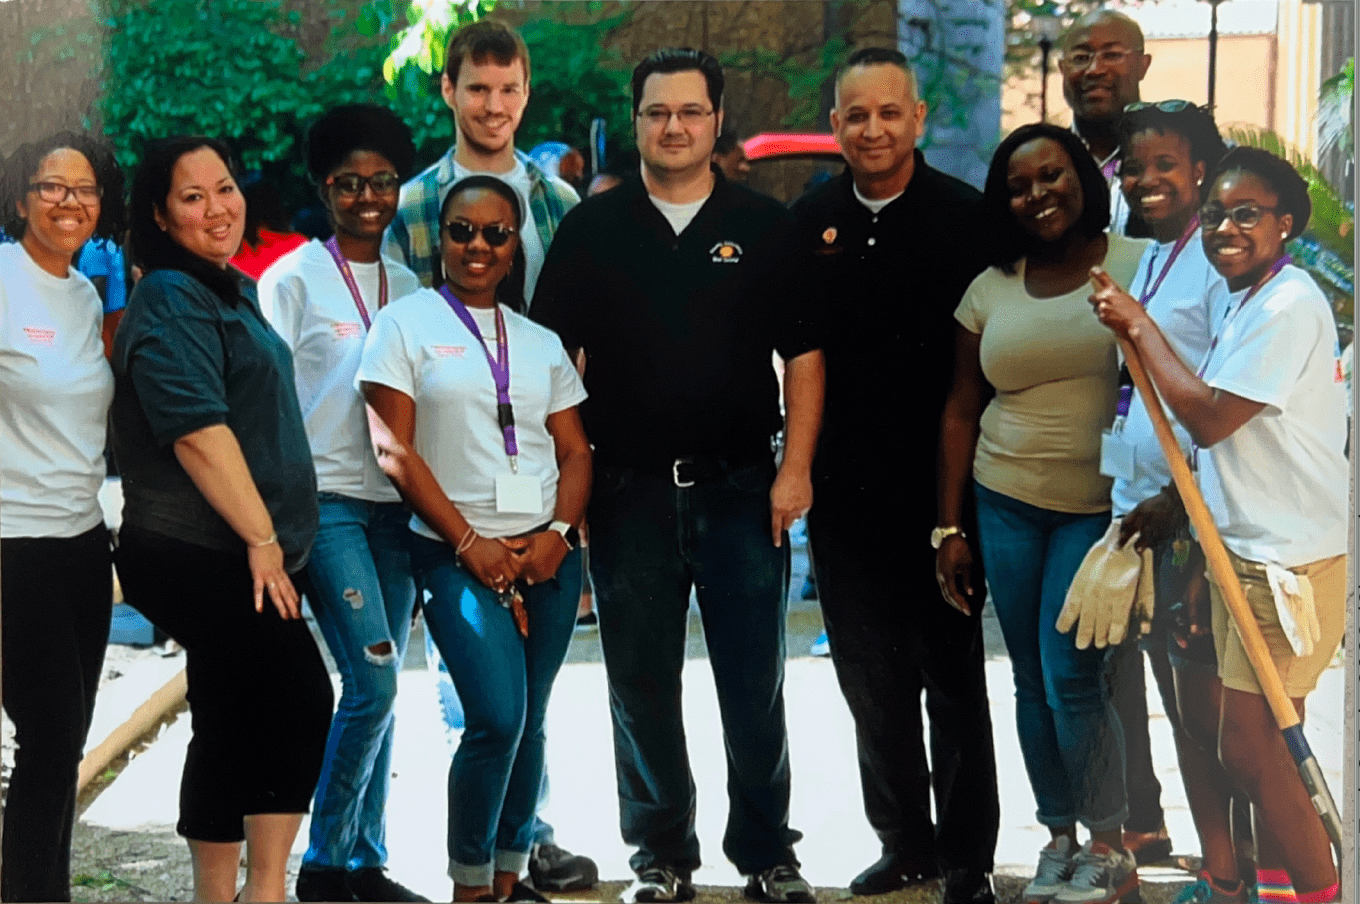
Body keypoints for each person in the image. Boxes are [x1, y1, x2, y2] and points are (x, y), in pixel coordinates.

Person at [532, 47, 823, 904]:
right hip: (628, 493)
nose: (673, 127)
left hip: (741, 488)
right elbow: (556, 364)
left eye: (690, 111)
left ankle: (768, 853)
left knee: (753, 679)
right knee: (640, 680)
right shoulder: (595, 229)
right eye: (657, 112)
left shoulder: (765, 225)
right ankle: (661, 855)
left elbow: (803, 356)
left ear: (716, 120)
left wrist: (794, 470)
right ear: (638, 121)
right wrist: (573, 483)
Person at [1091, 146, 1346, 904]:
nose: (1225, 228)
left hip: (1287, 564)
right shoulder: (1246, 298)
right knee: (1243, 745)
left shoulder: (1289, 303)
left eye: (1246, 214)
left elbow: (1205, 420)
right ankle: (1267, 888)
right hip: (1240, 553)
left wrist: (1140, 327)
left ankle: (1321, 892)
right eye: (1214, 216)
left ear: (1287, 223)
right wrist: (1205, 564)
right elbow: (1220, 463)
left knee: (1258, 748)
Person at [383, 24, 595, 888]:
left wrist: (565, 512)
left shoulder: (559, 205)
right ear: (449, 91)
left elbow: (579, 344)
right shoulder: (410, 208)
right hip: (451, 483)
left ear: (526, 95)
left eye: (509, 91)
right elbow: (395, 356)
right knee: (484, 702)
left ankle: (525, 839)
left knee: (529, 701)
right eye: (478, 89)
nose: (494, 106)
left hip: (542, 471)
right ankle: (484, 858)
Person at [788, 48, 999, 904]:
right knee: (871, 683)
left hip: (949, 490)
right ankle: (903, 841)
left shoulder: (967, 218)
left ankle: (968, 859)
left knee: (953, 679)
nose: (872, 128)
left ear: (916, 118)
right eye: (855, 114)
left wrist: (957, 512)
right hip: (845, 491)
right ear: (835, 124)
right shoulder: (811, 220)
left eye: (889, 112)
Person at [110, 135, 333, 904]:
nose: (218, 207)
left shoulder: (225, 287)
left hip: (235, 544)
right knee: (300, 697)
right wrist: (264, 542)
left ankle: (223, 895)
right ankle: (263, 892)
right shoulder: (171, 295)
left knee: (231, 710)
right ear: (161, 217)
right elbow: (200, 434)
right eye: (193, 196)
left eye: (225, 187)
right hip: (198, 546)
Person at [936, 122, 1147, 904]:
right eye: (1019, 186)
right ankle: (1058, 839)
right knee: (1028, 677)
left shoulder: (1135, 265)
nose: (1037, 194)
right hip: (1004, 500)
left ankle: (1111, 843)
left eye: (1052, 176)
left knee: (1072, 677)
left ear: (1083, 178)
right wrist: (948, 527)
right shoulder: (992, 285)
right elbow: (961, 408)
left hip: (1095, 508)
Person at [257, 104, 428, 904]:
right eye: (349, 184)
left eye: (383, 181)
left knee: (385, 692)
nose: (368, 196)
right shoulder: (290, 280)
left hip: (396, 509)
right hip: (326, 507)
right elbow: (264, 404)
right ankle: (325, 865)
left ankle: (365, 861)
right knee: (375, 681)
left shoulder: (415, 282)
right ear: (324, 190)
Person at [1096, 101, 1247, 904]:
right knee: (1179, 715)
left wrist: (1178, 509)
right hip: (1140, 508)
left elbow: (1220, 404)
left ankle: (1248, 874)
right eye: (1135, 165)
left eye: (1166, 165)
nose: (1148, 179)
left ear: (1200, 170)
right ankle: (1219, 871)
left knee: (1219, 720)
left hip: (1190, 518)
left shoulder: (1217, 263)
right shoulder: (1151, 257)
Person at [0, 131, 124, 903]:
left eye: (84, 188)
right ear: (21, 200)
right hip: (12, 544)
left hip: (82, 541)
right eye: (52, 187)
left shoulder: (84, 295)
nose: (70, 201)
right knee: (47, 739)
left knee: (67, 740)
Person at [1059, 9, 1152, 237]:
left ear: (1143, 65)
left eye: (1111, 55)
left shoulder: (1179, 161)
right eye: (1081, 58)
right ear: (1062, 68)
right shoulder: (1048, 164)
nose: (1094, 70)